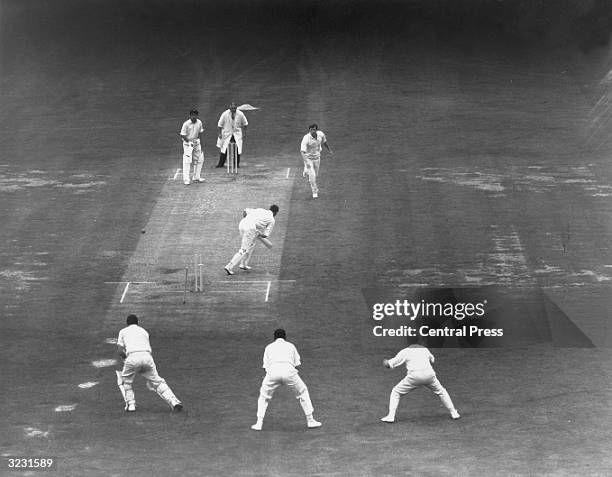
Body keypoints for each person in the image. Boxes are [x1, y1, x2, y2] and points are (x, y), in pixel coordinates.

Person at [251, 329, 322, 431]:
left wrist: (269, 376)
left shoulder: (269, 347)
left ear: (274, 337)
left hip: (272, 372)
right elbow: (297, 365)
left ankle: (259, 423)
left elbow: (265, 367)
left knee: (264, 397)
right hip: (289, 371)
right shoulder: (291, 346)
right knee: (303, 392)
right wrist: (292, 376)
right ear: (285, 337)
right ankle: (310, 420)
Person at [116, 314, 183, 413]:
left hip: (132, 358)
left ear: (127, 324)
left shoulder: (123, 331)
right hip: (147, 357)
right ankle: (174, 401)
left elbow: (120, 351)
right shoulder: (144, 332)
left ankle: (131, 405)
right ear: (137, 323)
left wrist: (126, 358)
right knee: (157, 382)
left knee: (125, 382)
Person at [380, 343, 460, 423]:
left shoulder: (405, 351)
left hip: (414, 377)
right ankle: (453, 412)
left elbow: (389, 365)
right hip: (429, 376)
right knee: (442, 391)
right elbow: (432, 360)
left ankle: (391, 416)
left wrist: (385, 361)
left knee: (396, 392)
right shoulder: (425, 349)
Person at [224, 204, 279, 275]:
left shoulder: (260, 210)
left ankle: (243, 264)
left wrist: (249, 221)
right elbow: (265, 235)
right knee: (244, 249)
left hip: (242, 223)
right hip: (251, 228)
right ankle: (229, 266)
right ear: (275, 212)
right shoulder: (272, 220)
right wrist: (259, 233)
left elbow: (245, 211)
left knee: (251, 244)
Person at [300, 123, 332, 199]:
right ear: (309, 130)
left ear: (316, 130)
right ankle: (315, 191)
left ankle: (306, 171)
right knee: (312, 176)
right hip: (308, 159)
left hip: (317, 158)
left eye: (314, 129)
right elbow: (302, 152)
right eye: (311, 129)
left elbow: (325, 142)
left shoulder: (321, 134)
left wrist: (329, 150)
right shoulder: (306, 138)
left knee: (315, 174)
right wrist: (307, 163)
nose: (312, 131)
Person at [216, 102, 248, 168]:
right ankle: (220, 164)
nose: (233, 109)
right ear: (229, 107)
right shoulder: (225, 114)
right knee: (224, 148)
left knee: (238, 149)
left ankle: (236, 164)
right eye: (232, 108)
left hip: (237, 133)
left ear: (236, 107)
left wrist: (245, 133)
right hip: (227, 133)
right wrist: (220, 133)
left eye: (234, 108)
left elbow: (245, 124)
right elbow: (220, 124)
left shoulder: (240, 114)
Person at [180, 109, 205, 185]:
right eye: (192, 115)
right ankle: (186, 179)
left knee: (200, 159)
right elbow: (182, 134)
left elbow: (200, 132)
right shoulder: (186, 124)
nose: (194, 116)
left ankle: (196, 177)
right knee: (187, 161)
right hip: (188, 144)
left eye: (195, 115)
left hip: (196, 142)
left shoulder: (199, 122)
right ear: (190, 115)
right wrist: (189, 141)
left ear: (197, 115)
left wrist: (200, 142)